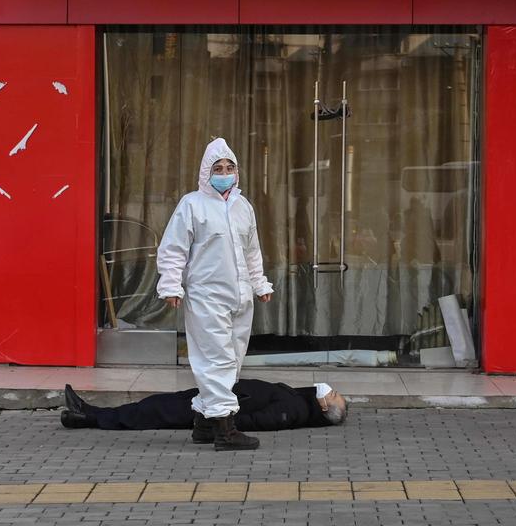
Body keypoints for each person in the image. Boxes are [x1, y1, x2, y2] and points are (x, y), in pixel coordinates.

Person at [156, 138, 274, 451]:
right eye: (217, 168)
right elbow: (174, 248)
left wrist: (259, 283)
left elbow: (252, 250)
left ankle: (203, 423)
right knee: (217, 360)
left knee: (232, 359)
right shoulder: (192, 204)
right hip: (206, 295)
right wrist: (171, 285)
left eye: (229, 167)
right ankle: (225, 430)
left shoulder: (242, 206)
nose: (224, 172)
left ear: (237, 172)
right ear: (206, 172)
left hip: (240, 295)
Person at [59, 380, 348, 434]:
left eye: (333, 394)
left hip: (214, 408)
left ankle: (87, 415)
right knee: (154, 405)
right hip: (216, 395)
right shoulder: (301, 402)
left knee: (151, 413)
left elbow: (260, 420)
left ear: (325, 408)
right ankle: (84, 415)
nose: (330, 389)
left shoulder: (295, 412)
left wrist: (219, 419)